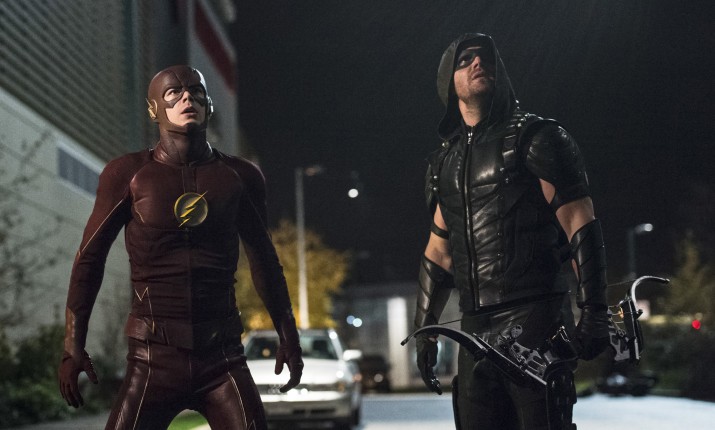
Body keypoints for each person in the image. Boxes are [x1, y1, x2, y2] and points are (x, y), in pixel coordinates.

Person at [58, 65, 303, 430]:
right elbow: (89, 259)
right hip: (152, 358)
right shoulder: (128, 174)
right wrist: (72, 345)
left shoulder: (240, 176)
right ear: (154, 109)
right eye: (173, 93)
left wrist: (289, 335)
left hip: (223, 356)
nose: (187, 97)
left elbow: (265, 260)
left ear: (209, 105)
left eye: (196, 91)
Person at [414, 33, 610, 430]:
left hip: (537, 321)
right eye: (465, 59)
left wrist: (595, 313)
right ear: (448, 82)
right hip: (473, 332)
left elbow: (580, 222)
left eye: (485, 57)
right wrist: (425, 333)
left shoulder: (537, 137)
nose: (477, 63)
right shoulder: (442, 165)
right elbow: (438, 254)